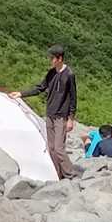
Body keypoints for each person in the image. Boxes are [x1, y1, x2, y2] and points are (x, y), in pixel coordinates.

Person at [9, 44, 78, 179]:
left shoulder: (69, 75)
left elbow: (73, 98)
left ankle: (71, 174)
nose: (50, 60)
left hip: (61, 116)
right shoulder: (51, 73)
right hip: (50, 115)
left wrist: (71, 119)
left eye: (52, 58)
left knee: (59, 148)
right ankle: (58, 175)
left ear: (59, 59)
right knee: (51, 148)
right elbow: (40, 88)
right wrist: (21, 94)